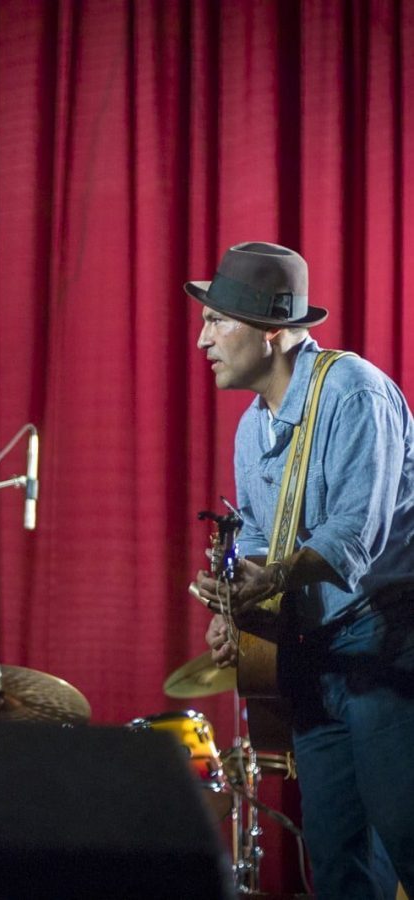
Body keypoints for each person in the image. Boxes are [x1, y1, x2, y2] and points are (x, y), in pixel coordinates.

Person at [186, 242, 414, 899]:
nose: (204, 338)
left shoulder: (354, 393)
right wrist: (238, 608)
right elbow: (260, 544)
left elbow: (355, 538)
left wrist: (270, 580)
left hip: (386, 645)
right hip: (316, 656)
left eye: (218, 321)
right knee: (336, 859)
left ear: (277, 332)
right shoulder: (251, 432)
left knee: (405, 832)